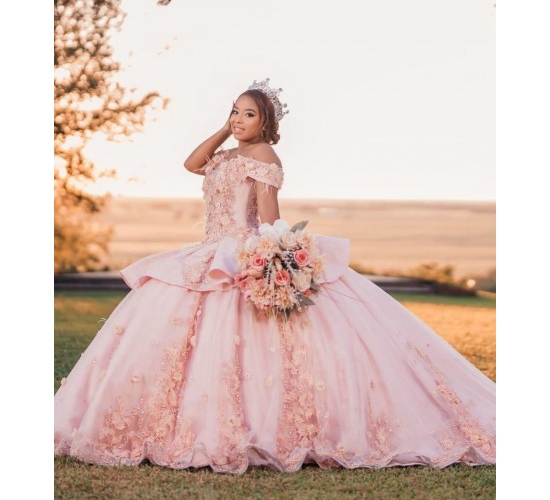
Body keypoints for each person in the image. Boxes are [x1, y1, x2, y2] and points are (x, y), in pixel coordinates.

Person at [54, 78, 496, 473]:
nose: (240, 119)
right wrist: (226, 130)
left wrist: (273, 258)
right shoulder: (227, 153)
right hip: (209, 249)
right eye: (235, 111)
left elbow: (270, 218)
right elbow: (191, 163)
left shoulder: (263, 155)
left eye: (249, 114)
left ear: (265, 123)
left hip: (243, 249)